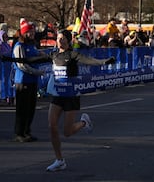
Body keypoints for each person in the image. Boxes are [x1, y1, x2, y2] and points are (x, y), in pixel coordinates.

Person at [45, 29, 115, 172]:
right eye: (58, 38)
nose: (60, 41)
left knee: (67, 132)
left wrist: (104, 61)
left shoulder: (73, 54)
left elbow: (89, 60)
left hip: (71, 97)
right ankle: (59, 160)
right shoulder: (53, 54)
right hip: (58, 95)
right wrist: (10, 59)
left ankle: (84, 122)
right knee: (52, 126)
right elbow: (34, 59)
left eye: (63, 38)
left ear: (69, 40)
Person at [12, 19, 50, 142]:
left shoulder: (31, 45)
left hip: (33, 81)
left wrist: (42, 55)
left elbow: (35, 55)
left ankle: (27, 131)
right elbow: (22, 65)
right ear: (24, 33)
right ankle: (19, 133)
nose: (32, 34)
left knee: (31, 108)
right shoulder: (19, 46)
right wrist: (38, 72)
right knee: (22, 109)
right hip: (23, 81)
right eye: (29, 32)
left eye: (33, 32)